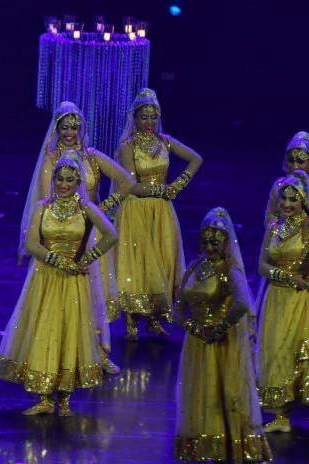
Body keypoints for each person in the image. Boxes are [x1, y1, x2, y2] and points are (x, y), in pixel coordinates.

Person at [0, 150, 118, 416]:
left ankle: (64, 398)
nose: (63, 184)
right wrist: (57, 261)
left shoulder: (85, 209)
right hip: (46, 277)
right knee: (45, 329)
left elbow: (111, 234)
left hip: (74, 281)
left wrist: (89, 257)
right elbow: (31, 244)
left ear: (78, 183)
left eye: (69, 180)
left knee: (69, 331)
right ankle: (43, 397)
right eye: (60, 179)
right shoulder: (43, 207)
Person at [19, 101, 135, 372]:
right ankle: (56, 351)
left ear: (82, 128)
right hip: (61, 235)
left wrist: (101, 209)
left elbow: (127, 181)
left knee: (95, 293)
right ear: (57, 128)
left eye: (75, 126)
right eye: (65, 126)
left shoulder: (92, 156)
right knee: (59, 296)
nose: (70, 131)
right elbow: (47, 197)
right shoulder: (50, 159)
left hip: (90, 234)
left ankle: (99, 353)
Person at [174, 207, 270, 463]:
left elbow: (242, 305)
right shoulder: (195, 267)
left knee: (221, 390)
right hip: (197, 343)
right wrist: (194, 328)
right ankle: (201, 443)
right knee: (199, 390)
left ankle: (224, 444)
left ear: (226, 242)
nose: (209, 247)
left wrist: (219, 328)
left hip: (221, 343)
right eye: (205, 241)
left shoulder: (230, 271)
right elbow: (178, 307)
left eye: (215, 242)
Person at [115, 88, 202, 340]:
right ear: (135, 118)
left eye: (153, 116)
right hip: (136, 208)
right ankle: (131, 319)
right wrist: (161, 188)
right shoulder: (127, 146)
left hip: (162, 209)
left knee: (161, 259)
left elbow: (196, 159)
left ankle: (154, 317)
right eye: (144, 117)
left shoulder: (165, 141)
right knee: (138, 262)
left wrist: (178, 185)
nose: (149, 122)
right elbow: (129, 185)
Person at [255, 171, 309, 434]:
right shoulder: (274, 226)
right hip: (276, 297)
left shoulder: (308, 227)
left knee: (296, 353)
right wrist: (287, 276)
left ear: (304, 201)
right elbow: (262, 266)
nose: (287, 204)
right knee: (275, 353)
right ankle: (280, 415)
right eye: (284, 198)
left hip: (301, 302)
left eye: (293, 199)